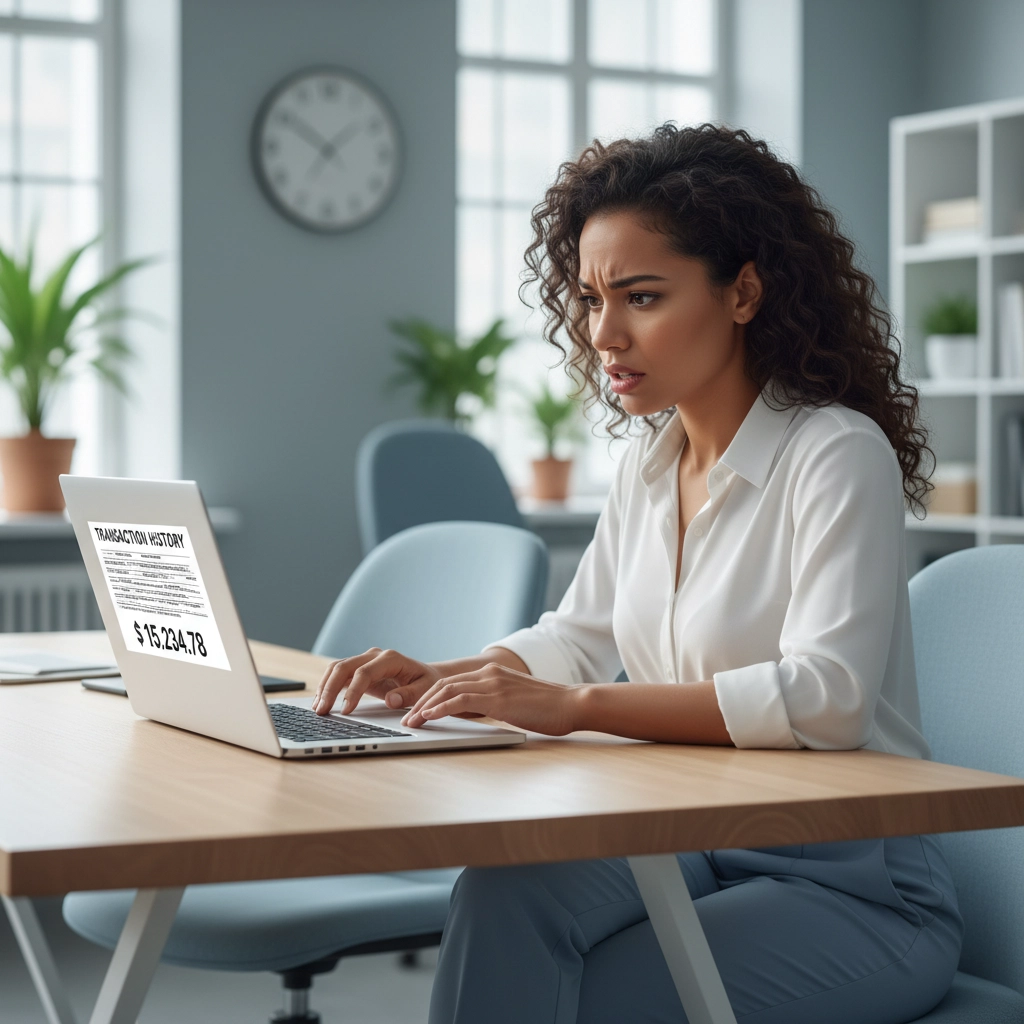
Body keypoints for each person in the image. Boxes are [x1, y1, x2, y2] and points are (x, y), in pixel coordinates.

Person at [312, 124, 962, 1024]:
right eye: (588, 299)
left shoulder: (835, 453)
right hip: (693, 836)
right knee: (505, 895)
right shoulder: (652, 463)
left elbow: (827, 697)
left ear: (744, 292)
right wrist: (459, 677)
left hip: (856, 884)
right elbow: (580, 637)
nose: (604, 334)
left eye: (642, 297)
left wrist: (578, 711)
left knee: (611, 997)